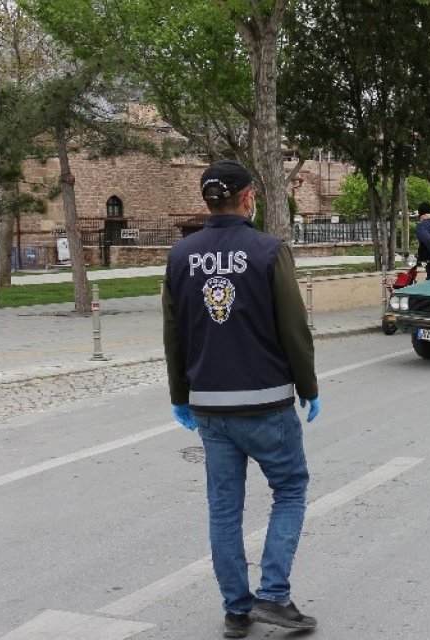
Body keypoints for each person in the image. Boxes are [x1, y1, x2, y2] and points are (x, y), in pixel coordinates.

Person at [162, 159, 320, 636]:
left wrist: (180, 395)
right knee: (290, 488)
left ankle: (236, 608)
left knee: (224, 507)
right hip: (266, 401)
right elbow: (293, 328)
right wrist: (308, 387)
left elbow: (173, 333)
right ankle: (272, 596)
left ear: (206, 200)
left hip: (209, 404)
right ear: (249, 197)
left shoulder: (180, 255)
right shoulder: (269, 251)